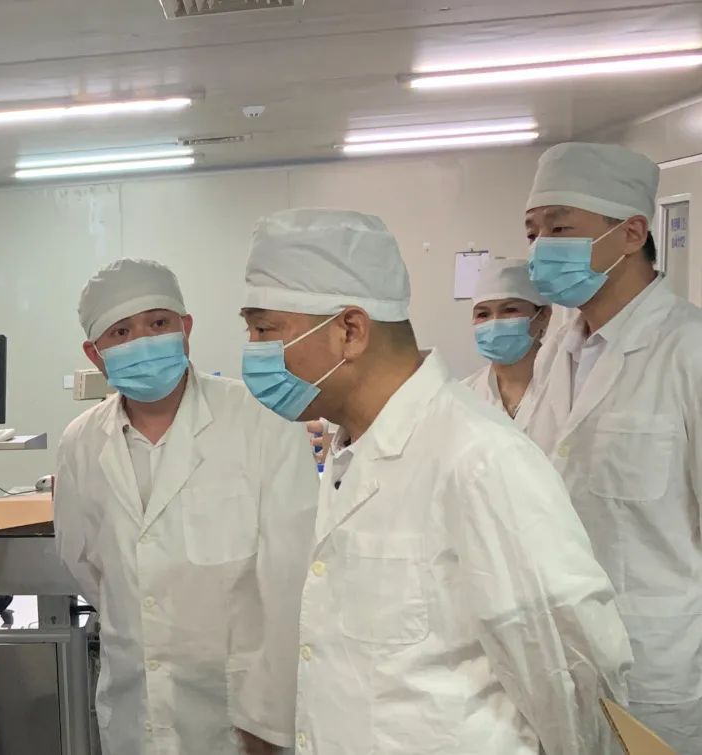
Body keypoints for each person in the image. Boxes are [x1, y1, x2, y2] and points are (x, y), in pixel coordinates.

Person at [239, 208, 632, 754]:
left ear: (350, 331)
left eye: (264, 330)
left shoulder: (479, 461)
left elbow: (569, 679)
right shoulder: (352, 450)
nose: (253, 351)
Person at [54, 258, 319, 755]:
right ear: (95, 354)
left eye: (158, 323)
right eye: (121, 332)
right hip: (134, 708)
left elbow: (295, 577)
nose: (143, 341)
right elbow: (84, 563)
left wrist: (273, 716)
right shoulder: (80, 443)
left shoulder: (262, 420)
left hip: (240, 713)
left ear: (186, 329)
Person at [524, 142, 702, 751]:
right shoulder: (557, 348)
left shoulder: (688, 352)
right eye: (533, 232)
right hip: (560, 657)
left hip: (658, 669)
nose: (540, 248)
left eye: (559, 229)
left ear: (631, 233)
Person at [461, 257, 551, 429]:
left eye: (510, 310)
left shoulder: (568, 385)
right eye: (483, 314)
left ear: (543, 316)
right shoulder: (465, 395)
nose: (495, 322)